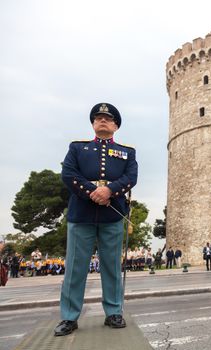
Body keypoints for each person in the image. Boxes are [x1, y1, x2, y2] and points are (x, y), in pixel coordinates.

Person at [54, 102, 138, 336]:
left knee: (111, 265)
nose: (103, 120)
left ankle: (113, 312)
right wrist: (93, 191)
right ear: (93, 123)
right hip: (81, 213)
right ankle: (69, 317)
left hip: (112, 214)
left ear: (116, 126)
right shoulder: (78, 148)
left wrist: (109, 190)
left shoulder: (127, 152)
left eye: (108, 118)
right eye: (98, 117)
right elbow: (68, 174)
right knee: (75, 268)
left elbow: (131, 177)